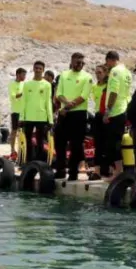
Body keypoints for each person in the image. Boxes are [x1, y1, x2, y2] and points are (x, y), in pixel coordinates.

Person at [55, 52, 93, 181]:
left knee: (76, 144)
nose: (80, 65)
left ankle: (73, 172)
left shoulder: (87, 77)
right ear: (72, 61)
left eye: (82, 63)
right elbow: (59, 93)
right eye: (78, 62)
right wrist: (65, 104)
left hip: (78, 114)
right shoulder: (64, 75)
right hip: (63, 113)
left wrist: (68, 107)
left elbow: (84, 96)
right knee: (59, 142)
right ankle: (60, 170)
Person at [102, 51, 131, 179]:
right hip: (124, 108)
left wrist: (108, 110)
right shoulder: (127, 72)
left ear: (110, 60)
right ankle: (119, 171)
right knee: (116, 142)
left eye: (107, 62)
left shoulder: (114, 71)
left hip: (116, 111)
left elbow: (113, 92)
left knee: (113, 144)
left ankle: (118, 172)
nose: (106, 65)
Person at [19, 61, 54, 163]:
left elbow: (48, 102)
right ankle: (28, 162)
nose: (38, 70)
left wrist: (50, 119)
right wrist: (21, 118)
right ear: (33, 69)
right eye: (36, 68)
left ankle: (39, 163)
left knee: (40, 142)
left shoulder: (47, 85)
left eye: (40, 68)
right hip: (28, 117)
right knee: (27, 141)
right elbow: (23, 101)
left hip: (41, 117)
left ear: (43, 70)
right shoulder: (27, 84)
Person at [88, 65, 109, 178]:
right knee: (98, 144)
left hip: (107, 115)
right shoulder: (95, 87)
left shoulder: (109, 86)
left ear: (105, 73)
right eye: (96, 73)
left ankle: (107, 169)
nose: (97, 75)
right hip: (97, 115)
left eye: (100, 72)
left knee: (107, 144)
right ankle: (97, 171)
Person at [9, 68, 26, 137]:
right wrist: (23, 93)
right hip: (16, 111)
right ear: (17, 74)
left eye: (25, 75)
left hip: (24, 111)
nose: (24, 77)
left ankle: (22, 147)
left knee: (24, 130)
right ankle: (12, 147)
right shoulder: (12, 84)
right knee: (14, 130)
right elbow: (13, 96)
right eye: (23, 75)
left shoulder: (24, 84)